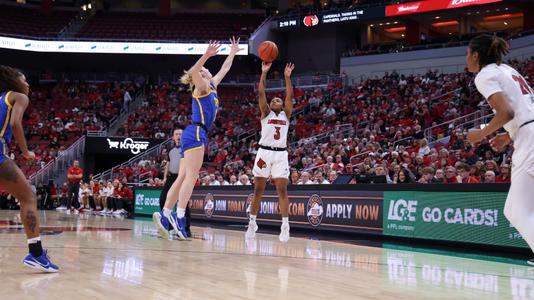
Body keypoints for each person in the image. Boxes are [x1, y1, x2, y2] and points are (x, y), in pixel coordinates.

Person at [154, 37, 242, 240]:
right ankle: (180, 215)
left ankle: (166, 215)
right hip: (196, 132)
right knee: (192, 177)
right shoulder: (201, 88)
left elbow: (225, 69)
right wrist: (206, 55)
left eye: (206, 71)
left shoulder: (212, 86)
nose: (206, 71)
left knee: (183, 176)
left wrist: (232, 52)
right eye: (204, 72)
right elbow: (194, 71)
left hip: (191, 133)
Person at [465, 34, 534, 265]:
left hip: (529, 138)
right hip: (527, 130)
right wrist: (508, 134)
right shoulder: (508, 70)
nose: (466, 58)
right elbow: (521, 110)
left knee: (515, 210)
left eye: (467, 53)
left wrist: (480, 134)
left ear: (476, 55)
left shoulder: (484, 75)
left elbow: (506, 112)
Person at [0, 66, 58, 272]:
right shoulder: (19, 97)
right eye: (24, 80)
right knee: (28, 198)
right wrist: (25, 151)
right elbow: (16, 123)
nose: (28, 84)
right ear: (14, 81)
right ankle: (35, 254)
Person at [246, 61, 295, 242]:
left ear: (282, 105)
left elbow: (290, 95)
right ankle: (252, 223)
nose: (276, 100)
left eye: (278, 100)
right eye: (274, 99)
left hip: (281, 154)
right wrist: (264, 73)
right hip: (264, 153)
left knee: (282, 191)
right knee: (258, 190)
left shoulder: (286, 114)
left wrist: (287, 77)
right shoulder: (265, 113)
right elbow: (261, 93)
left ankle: (285, 225)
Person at [153, 128, 191, 237]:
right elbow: (168, 165)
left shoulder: (187, 149)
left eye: (180, 134)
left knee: (183, 204)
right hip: (171, 178)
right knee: (163, 199)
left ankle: (185, 229)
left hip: (182, 177)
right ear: (173, 137)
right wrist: (165, 177)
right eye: (176, 134)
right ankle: (167, 225)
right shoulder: (171, 150)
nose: (178, 136)